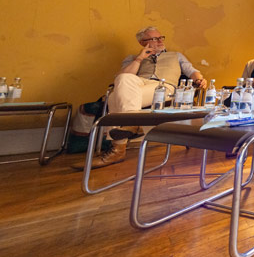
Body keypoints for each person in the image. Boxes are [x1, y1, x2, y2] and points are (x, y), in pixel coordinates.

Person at [74, 26, 206, 169]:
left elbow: (192, 71)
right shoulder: (132, 58)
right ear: (143, 42)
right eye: (154, 39)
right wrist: (139, 58)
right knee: (123, 79)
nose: (160, 41)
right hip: (137, 86)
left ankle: (117, 149)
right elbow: (121, 78)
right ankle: (132, 123)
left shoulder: (176, 55)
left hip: (164, 88)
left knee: (114, 99)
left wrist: (199, 79)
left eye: (161, 37)